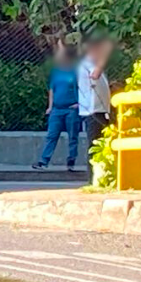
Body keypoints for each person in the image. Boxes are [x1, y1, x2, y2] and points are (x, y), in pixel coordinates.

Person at [33, 42, 81, 171]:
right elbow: (52, 90)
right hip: (57, 109)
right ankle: (43, 161)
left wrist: (79, 103)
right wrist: (50, 107)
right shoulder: (56, 72)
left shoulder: (75, 72)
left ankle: (71, 161)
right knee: (51, 135)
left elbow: (81, 87)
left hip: (71, 109)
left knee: (73, 136)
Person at [78, 34, 114, 181]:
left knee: (100, 143)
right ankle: (93, 177)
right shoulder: (88, 62)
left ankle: (99, 176)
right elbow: (95, 75)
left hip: (100, 110)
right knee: (95, 145)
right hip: (93, 111)